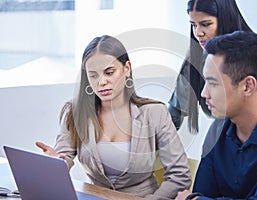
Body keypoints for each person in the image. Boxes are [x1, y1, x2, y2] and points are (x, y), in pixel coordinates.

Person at [36, 35, 191, 200]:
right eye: (93, 76)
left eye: (109, 73)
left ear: (127, 68)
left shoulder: (154, 113)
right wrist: (53, 164)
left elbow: (179, 176)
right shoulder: (75, 112)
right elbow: (63, 157)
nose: (102, 82)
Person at [175, 31, 257, 200]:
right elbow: (203, 193)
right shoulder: (217, 131)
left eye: (212, 83)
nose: (204, 94)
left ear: (248, 86)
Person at [168, 0, 257, 133]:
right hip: (228, 144)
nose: (198, 33)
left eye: (205, 24)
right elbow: (174, 113)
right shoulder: (196, 57)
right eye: (193, 25)